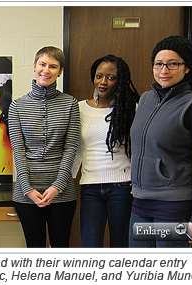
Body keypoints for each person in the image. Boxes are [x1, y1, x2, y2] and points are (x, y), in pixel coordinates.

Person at [129, 35, 192, 247]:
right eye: (159, 64)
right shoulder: (145, 99)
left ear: (186, 68)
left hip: (174, 207)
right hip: (141, 204)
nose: (164, 70)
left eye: (172, 64)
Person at [8, 46, 80, 248]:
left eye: (53, 66)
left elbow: (71, 148)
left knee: (61, 247)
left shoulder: (70, 104)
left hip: (62, 193)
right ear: (34, 66)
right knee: (35, 248)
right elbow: (18, 151)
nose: (46, 70)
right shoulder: (17, 106)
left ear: (60, 71)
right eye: (42, 64)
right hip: (26, 193)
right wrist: (28, 189)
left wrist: (57, 187)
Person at [73, 55, 139, 247]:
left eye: (110, 77)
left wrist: (137, 179)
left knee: (121, 245)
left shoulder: (130, 109)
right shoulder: (80, 109)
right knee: (90, 246)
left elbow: (139, 148)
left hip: (122, 187)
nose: (103, 82)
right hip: (90, 187)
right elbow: (77, 149)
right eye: (99, 76)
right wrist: (67, 179)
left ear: (120, 81)